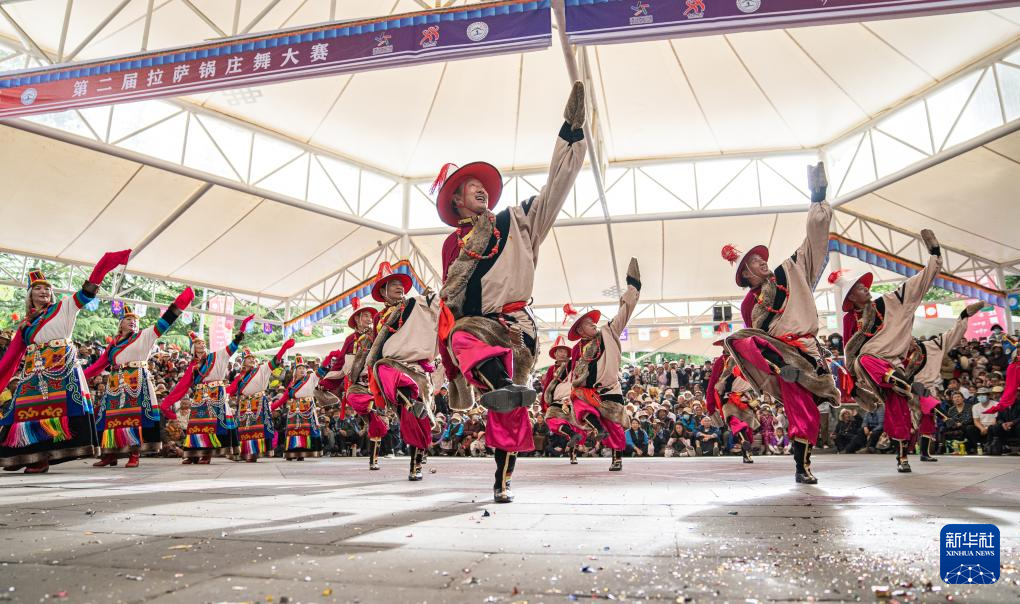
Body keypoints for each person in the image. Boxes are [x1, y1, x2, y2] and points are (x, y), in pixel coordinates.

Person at [435, 82, 587, 503]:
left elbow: (556, 188)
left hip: (518, 328)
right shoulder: (452, 245)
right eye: (470, 186)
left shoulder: (517, 222)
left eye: (481, 185)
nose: (480, 189)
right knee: (462, 335)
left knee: (511, 408)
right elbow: (449, 302)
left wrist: (570, 135)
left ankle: (503, 480)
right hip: (477, 327)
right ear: (456, 201)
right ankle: (500, 383)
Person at [719, 163, 837, 484]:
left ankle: (804, 462)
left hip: (808, 352)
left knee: (809, 410)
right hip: (782, 357)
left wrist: (817, 199)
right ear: (746, 274)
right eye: (754, 261)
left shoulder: (791, 272)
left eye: (761, 258)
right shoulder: (748, 304)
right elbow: (754, 339)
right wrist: (774, 363)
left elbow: (813, 243)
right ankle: (801, 467)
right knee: (740, 339)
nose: (762, 261)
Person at [0, 251, 131, 473]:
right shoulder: (26, 325)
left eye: (47, 288)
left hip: (62, 371)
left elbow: (88, 291)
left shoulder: (64, 307)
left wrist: (105, 265)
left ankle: (41, 459)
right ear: (30, 294)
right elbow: (10, 358)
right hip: (34, 373)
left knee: (55, 414)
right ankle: (23, 454)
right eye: (38, 288)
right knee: (24, 411)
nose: (44, 291)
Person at [837, 228, 943, 473]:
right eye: (859, 288)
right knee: (864, 359)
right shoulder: (849, 319)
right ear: (851, 297)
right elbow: (848, 349)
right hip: (870, 368)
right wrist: (852, 380)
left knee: (899, 411)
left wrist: (935, 255)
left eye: (864, 285)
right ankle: (902, 383)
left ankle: (902, 457)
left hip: (894, 367)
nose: (865, 288)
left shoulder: (890, 302)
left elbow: (917, 283)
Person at [86, 288, 194, 468]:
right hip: (115, 383)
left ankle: (134, 454)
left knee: (134, 418)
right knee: (110, 418)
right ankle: (110, 454)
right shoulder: (113, 345)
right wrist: (79, 376)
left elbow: (164, 322)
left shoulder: (144, 336)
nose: (133, 322)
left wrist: (180, 304)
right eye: (128, 319)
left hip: (137, 381)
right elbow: (98, 365)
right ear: (120, 324)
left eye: (135, 320)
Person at [362, 262, 441, 481]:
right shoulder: (379, 318)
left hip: (417, 368)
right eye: (393, 284)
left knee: (415, 418)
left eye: (401, 284)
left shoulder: (414, 305)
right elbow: (375, 349)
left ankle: (416, 467)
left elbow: (436, 309)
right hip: (390, 365)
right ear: (383, 291)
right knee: (385, 369)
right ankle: (409, 399)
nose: (399, 287)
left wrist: (431, 298)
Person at [568, 258, 642, 472]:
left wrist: (633, 287)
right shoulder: (576, 350)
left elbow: (623, 313)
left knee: (615, 426)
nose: (594, 324)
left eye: (593, 322)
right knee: (578, 401)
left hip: (610, 389)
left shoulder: (608, 333)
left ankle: (617, 459)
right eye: (588, 323)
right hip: (587, 391)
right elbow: (573, 374)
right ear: (580, 331)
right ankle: (597, 428)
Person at [161, 315, 254, 464]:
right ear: (193, 347)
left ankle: (207, 454)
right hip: (200, 395)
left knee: (212, 424)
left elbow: (232, 347)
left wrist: (241, 331)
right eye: (198, 343)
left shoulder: (216, 356)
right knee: (196, 425)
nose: (202, 344)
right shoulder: (193, 366)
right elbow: (182, 386)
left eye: (203, 343)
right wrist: (167, 403)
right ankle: (193, 454)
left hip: (216, 393)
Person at [904, 301, 984, 461]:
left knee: (928, 419)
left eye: (909, 336)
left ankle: (925, 453)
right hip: (907, 391)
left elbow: (951, 336)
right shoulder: (897, 353)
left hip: (927, 391)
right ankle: (945, 418)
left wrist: (964, 316)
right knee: (911, 423)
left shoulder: (930, 346)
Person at [330, 297, 387, 470]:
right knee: (360, 401)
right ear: (357, 318)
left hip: (375, 384)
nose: (369, 319)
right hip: (357, 385)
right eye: (365, 316)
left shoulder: (377, 335)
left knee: (377, 423)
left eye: (370, 316)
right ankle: (373, 405)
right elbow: (341, 361)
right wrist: (326, 380)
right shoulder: (351, 339)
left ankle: (373, 461)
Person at [228, 339, 294, 462]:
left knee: (257, 428)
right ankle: (242, 452)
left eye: (252, 358)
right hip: (244, 404)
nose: (251, 360)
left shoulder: (261, 369)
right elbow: (230, 390)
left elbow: (274, 361)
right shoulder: (240, 376)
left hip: (258, 402)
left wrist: (284, 348)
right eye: (248, 358)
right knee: (243, 429)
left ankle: (254, 452)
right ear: (243, 361)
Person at [270, 353, 331, 460]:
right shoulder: (292, 385)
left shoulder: (311, 378)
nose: (302, 370)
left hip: (307, 409)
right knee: (293, 431)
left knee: (306, 430)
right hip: (294, 411)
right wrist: (271, 408)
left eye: (304, 368)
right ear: (295, 371)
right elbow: (283, 399)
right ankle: (292, 452)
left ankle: (303, 452)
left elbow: (321, 369)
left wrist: (329, 357)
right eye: (300, 368)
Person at [707, 341, 758, 464]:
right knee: (736, 421)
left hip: (744, 397)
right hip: (728, 397)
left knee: (743, 425)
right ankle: (746, 449)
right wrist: (710, 403)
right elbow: (713, 382)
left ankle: (746, 451)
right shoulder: (721, 361)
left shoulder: (745, 358)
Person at [541, 335, 587, 464]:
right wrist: (544, 404)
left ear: (568, 354)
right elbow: (547, 388)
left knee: (575, 426)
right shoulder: (551, 369)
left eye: (564, 351)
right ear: (555, 354)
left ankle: (573, 454)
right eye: (559, 351)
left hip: (572, 399)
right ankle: (572, 435)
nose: (562, 353)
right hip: (557, 401)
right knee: (552, 421)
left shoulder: (572, 365)